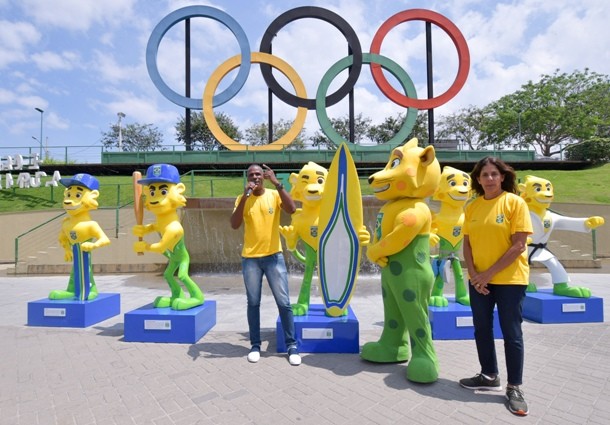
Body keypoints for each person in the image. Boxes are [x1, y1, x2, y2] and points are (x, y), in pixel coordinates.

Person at [459, 157, 533, 417]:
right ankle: (489, 375)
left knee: (511, 333)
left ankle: (515, 387)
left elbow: (519, 245)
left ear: (503, 177)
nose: (489, 179)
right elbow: (466, 243)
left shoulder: (515, 203)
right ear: (478, 179)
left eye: (494, 174)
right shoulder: (472, 207)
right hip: (479, 280)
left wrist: (487, 274)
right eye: (484, 175)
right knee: (481, 328)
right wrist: (474, 274)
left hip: (510, 280)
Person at [230, 163, 301, 366]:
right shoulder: (242, 198)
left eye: (258, 174)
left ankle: (291, 346)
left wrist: (277, 183)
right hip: (250, 259)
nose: (255, 178)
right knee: (253, 303)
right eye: (251, 175)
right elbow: (234, 224)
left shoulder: (273, 194)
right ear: (248, 178)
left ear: (264, 176)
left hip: (273, 257)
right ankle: (255, 345)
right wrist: (245, 196)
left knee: (284, 303)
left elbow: (292, 208)